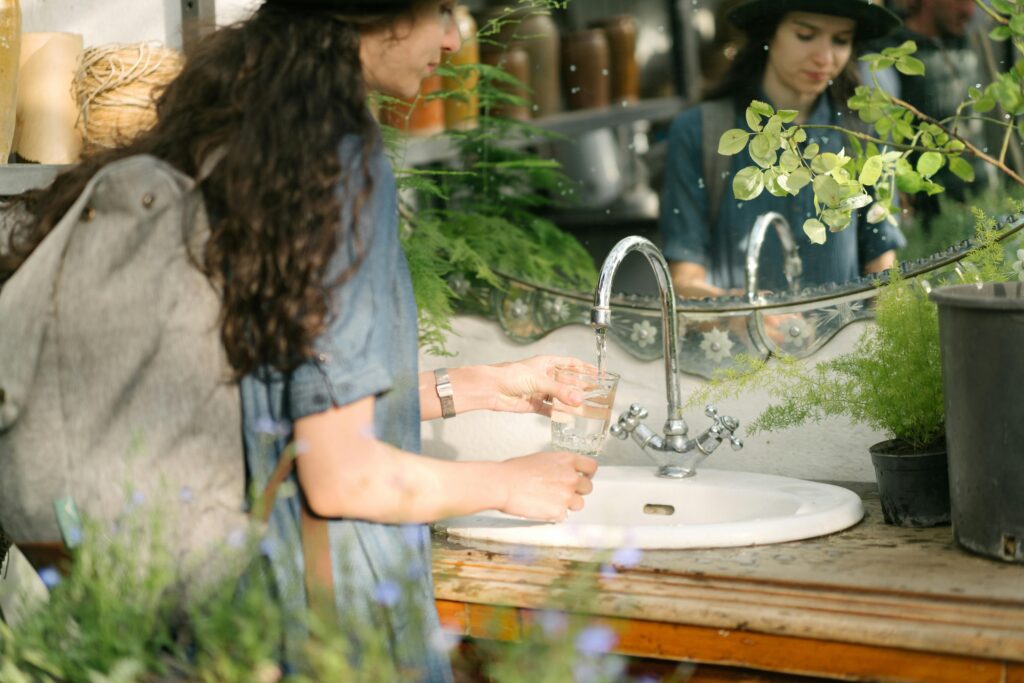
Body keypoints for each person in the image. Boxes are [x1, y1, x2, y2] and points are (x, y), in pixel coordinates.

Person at [0, 1, 599, 679]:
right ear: (375, 12)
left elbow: (274, 398)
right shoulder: (342, 160)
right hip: (322, 624)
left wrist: (481, 385)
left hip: (221, 626)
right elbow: (343, 475)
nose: (453, 34)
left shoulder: (246, 136)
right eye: (438, 9)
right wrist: (507, 483)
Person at [660, 0, 907, 299]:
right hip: (733, 343)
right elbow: (683, 282)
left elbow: (883, 271)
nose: (825, 58)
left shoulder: (863, 135)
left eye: (841, 40)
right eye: (805, 35)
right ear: (769, 32)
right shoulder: (701, 132)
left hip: (845, 341)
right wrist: (739, 314)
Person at [868, 0, 995, 226]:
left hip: (982, 205)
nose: (969, 10)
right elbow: (881, 143)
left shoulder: (963, 42)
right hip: (928, 224)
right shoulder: (886, 56)